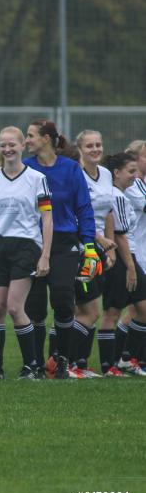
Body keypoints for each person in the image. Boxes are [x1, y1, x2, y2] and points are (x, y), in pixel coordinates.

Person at [23, 120, 98, 379]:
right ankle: (34, 365)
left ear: (46, 139)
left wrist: (89, 245)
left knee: (64, 299)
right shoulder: (26, 168)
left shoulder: (70, 169)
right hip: (33, 242)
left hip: (65, 242)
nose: (26, 141)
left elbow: (84, 208)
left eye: (30, 136)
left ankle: (61, 360)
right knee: (34, 307)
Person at [0, 127, 53, 380]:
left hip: (26, 247)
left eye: (12, 144)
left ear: (22, 146)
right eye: (3, 145)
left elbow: (47, 218)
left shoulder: (36, 178)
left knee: (14, 307)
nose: (7, 149)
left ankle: (31, 365)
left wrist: (45, 255)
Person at [70, 130, 115, 378]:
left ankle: (78, 364)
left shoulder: (106, 174)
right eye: (89, 146)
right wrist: (98, 240)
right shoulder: (76, 175)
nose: (95, 149)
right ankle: (68, 363)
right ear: (80, 150)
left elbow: (108, 211)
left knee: (86, 312)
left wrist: (108, 246)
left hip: (97, 247)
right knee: (90, 312)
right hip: (82, 245)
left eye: (98, 144)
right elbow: (78, 215)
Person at [101, 152, 146, 376]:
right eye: (131, 171)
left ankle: (125, 358)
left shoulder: (122, 194)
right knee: (112, 312)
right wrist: (130, 267)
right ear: (116, 173)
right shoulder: (116, 196)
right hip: (122, 259)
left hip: (129, 257)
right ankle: (110, 365)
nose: (135, 176)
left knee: (140, 309)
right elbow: (119, 236)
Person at [113, 140, 146, 375]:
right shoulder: (132, 187)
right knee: (135, 308)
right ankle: (126, 357)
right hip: (135, 253)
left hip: (138, 251)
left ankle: (125, 357)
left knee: (134, 310)